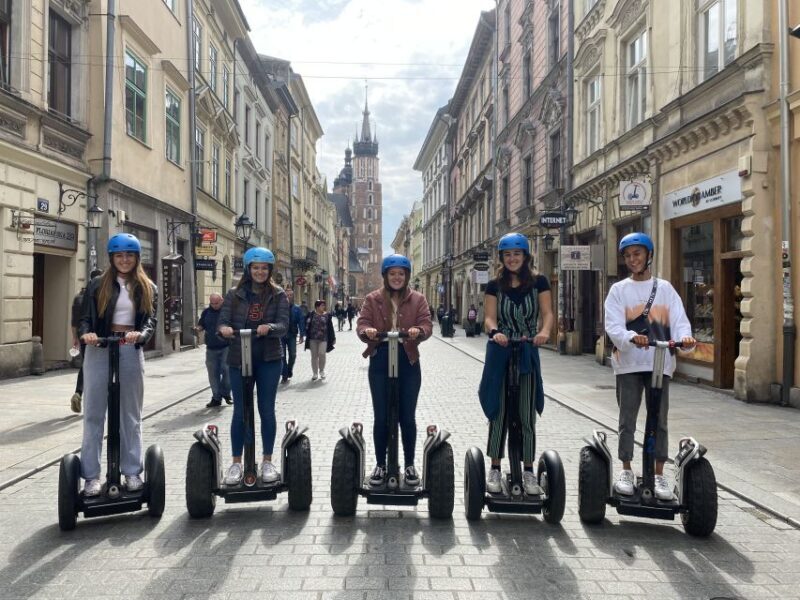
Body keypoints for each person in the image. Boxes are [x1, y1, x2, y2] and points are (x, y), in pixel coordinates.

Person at [604, 232, 696, 501]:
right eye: (628, 256)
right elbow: (613, 326)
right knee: (627, 419)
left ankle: (658, 474)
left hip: (660, 362)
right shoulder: (619, 290)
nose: (632, 259)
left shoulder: (665, 289)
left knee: (659, 420)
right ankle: (626, 469)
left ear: (649, 255)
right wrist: (631, 337)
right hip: (629, 363)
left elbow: (679, 321)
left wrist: (686, 339)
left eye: (637, 254)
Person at [77, 234, 157, 496]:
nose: (124, 260)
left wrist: (141, 335)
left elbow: (150, 321)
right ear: (112, 258)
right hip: (99, 347)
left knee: (130, 416)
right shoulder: (97, 284)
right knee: (93, 414)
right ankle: (91, 477)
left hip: (130, 347)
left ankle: (132, 471)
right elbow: (84, 317)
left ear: (137, 258)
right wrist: (87, 334)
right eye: (119, 255)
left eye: (129, 255)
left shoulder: (147, 286)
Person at [480, 233, 553, 496]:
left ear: (525, 256)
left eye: (517, 254)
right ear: (502, 257)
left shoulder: (539, 282)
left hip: (526, 351)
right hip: (500, 351)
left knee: (526, 413)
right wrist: (495, 332)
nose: (512, 259)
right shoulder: (494, 285)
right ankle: (495, 467)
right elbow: (489, 318)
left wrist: (544, 332)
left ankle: (529, 470)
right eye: (508, 254)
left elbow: (547, 314)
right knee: (499, 412)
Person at [357, 254, 432, 487]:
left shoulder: (418, 299)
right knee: (381, 416)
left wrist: (418, 330)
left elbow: (427, 324)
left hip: (408, 359)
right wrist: (368, 331)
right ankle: (380, 464)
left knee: (407, 417)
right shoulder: (373, 299)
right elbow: (362, 323)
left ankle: (409, 465)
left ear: (407, 276)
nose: (397, 277)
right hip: (380, 359)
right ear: (386, 276)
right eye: (392, 274)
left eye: (401, 273)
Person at [217, 247, 288, 485]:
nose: (260, 272)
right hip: (239, 357)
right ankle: (237, 463)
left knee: (266, 410)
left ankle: (267, 461)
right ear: (248, 269)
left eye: (264, 268)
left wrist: (271, 327)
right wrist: (224, 329)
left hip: (269, 359)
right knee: (240, 411)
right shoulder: (233, 294)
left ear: (270, 270)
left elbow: (284, 325)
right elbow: (222, 322)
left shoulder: (278, 295)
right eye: (256, 267)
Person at [69, 268, 102, 413]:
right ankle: (91, 399)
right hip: (97, 336)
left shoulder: (79, 297)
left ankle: (78, 392)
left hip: (83, 335)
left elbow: (74, 322)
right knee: (95, 367)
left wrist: (75, 338)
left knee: (86, 364)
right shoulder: (99, 294)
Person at [196, 293, 232, 407]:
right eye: (212, 303)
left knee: (227, 371)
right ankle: (216, 398)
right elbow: (201, 324)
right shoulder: (206, 312)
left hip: (226, 346)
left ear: (222, 301)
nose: (214, 305)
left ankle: (225, 393)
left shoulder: (228, 312)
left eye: (216, 303)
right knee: (213, 374)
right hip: (211, 347)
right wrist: (198, 329)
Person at [304, 299, 336, 380]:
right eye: (322, 305)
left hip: (323, 338)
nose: (324, 307)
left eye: (324, 305)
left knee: (322, 354)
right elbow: (305, 323)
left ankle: (321, 370)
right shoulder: (311, 314)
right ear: (317, 307)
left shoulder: (327, 315)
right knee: (314, 356)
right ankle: (315, 373)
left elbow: (330, 327)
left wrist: (333, 338)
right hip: (313, 339)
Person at [281, 287, 306, 384]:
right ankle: (284, 374)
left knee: (293, 354)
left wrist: (302, 335)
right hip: (281, 335)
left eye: (291, 295)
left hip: (292, 335)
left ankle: (289, 369)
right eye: (287, 295)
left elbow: (301, 322)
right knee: (282, 356)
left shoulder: (297, 309)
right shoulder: (280, 308)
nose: (289, 297)